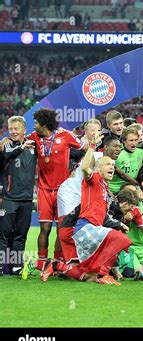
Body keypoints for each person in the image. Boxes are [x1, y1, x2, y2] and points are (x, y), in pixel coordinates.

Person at [70, 133, 132, 285]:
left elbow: (102, 216)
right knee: (121, 240)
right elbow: (85, 168)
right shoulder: (94, 178)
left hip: (94, 228)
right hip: (85, 227)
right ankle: (103, 274)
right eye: (108, 164)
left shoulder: (105, 187)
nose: (112, 167)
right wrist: (92, 146)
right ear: (99, 169)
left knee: (89, 277)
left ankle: (53, 266)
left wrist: (119, 224)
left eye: (113, 165)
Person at [28, 108, 85, 272]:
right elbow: (18, 140)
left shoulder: (65, 135)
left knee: (62, 229)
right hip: (44, 190)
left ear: (44, 123)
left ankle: (58, 262)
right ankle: (41, 264)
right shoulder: (34, 137)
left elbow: (84, 148)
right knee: (44, 228)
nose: (35, 126)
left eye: (37, 123)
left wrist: (77, 167)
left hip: (63, 191)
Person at [0, 116, 37, 276]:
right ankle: (1, 266)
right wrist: (22, 147)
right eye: (11, 129)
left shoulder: (33, 146)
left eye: (16, 129)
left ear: (24, 130)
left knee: (20, 235)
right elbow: (8, 154)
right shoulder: (6, 144)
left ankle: (17, 266)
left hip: (27, 200)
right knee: (3, 234)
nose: (13, 132)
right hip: (9, 199)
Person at [109, 126, 143, 194]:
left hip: (130, 188)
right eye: (131, 140)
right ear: (123, 141)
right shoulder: (116, 153)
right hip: (113, 190)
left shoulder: (142, 151)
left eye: (136, 140)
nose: (134, 143)